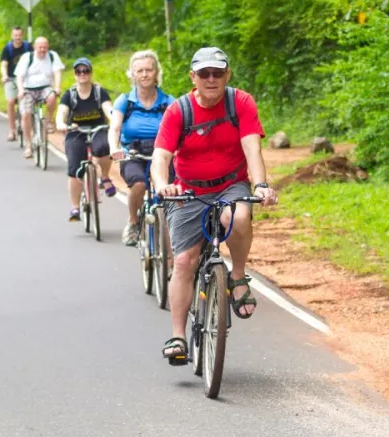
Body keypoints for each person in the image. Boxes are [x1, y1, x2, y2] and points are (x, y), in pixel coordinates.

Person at [151, 47, 278, 364]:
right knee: (183, 261)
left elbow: (252, 147)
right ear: (193, 77)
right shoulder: (179, 111)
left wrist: (261, 185)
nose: (211, 79)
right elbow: (161, 158)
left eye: (217, 73)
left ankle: (237, 277)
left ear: (227, 75)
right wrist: (161, 186)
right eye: (204, 73)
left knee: (238, 216)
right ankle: (178, 336)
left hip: (230, 183)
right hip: (188, 190)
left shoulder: (241, 102)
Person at [109, 50, 175, 246]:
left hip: (162, 154)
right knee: (138, 185)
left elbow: (181, 129)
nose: (144, 74)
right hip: (133, 154)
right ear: (133, 74)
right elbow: (114, 127)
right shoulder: (125, 101)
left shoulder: (168, 102)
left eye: (149, 70)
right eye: (140, 71)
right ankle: (133, 221)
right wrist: (115, 148)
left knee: (170, 192)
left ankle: (172, 232)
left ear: (156, 73)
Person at [56, 58, 115, 221]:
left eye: (86, 71)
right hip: (76, 132)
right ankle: (75, 207)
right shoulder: (70, 95)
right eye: (78, 71)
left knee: (105, 146)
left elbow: (108, 109)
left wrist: (114, 120)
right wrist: (61, 124)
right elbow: (61, 113)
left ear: (90, 73)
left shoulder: (99, 92)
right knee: (74, 168)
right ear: (75, 74)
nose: (82, 74)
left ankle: (104, 176)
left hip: (98, 129)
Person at [14, 37, 64, 160]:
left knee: (52, 96)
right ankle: (28, 145)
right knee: (26, 114)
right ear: (35, 47)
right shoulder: (27, 57)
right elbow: (19, 76)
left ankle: (48, 121)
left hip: (45, 87)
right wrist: (20, 90)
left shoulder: (52, 56)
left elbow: (57, 73)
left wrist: (57, 87)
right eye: (40, 47)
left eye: (45, 47)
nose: (43, 50)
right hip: (28, 89)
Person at [0, 26, 31, 142]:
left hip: (25, 79)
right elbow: (4, 64)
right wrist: (4, 75)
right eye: (15, 35)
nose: (17, 38)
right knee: (10, 101)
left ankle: (30, 126)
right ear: (12, 36)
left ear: (22, 36)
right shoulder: (7, 49)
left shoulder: (28, 47)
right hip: (11, 78)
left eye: (19, 35)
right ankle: (12, 130)